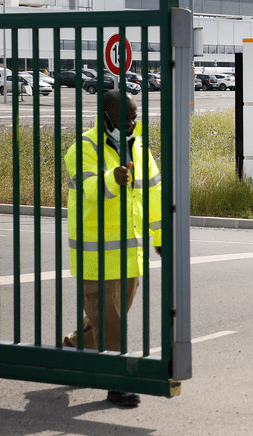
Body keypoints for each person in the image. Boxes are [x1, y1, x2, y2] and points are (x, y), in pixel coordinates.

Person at [62, 89, 162, 408]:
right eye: (126, 118)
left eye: (135, 117)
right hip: (95, 258)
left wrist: (160, 238)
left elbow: (154, 195)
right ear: (107, 116)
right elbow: (89, 188)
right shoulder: (83, 148)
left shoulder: (140, 150)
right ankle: (117, 383)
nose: (132, 123)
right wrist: (111, 178)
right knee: (111, 324)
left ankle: (69, 353)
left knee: (107, 320)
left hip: (130, 256)